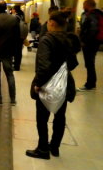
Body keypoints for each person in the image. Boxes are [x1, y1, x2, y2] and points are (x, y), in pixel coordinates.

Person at [26, 11, 81, 159]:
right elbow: (73, 63)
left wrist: (38, 83)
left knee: (42, 118)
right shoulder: (69, 39)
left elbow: (44, 66)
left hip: (48, 84)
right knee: (60, 116)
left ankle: (43, 149)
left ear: (52, 23)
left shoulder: (47, 40)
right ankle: (54, 147)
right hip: (63, 84)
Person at [77, 0, 103, 91]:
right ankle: (91, 83)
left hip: (90, 43)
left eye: (84, 5)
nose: (83, 7)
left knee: (90, 63)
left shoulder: (92, 15)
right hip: (94, 42)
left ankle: (90, 84)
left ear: (88, 5)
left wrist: (85, 41)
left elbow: (92, 29)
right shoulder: (98, 14)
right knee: (90, 63)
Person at [13, 5, 27, 71]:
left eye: (12, 9)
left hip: (17, 36)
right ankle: (17, 63)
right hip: (21, 35)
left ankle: (16, 66)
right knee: (18, 51)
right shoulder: (22, 15)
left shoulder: (16, 17)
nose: (12, 10)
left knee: (17, 52)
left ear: (15, 10)